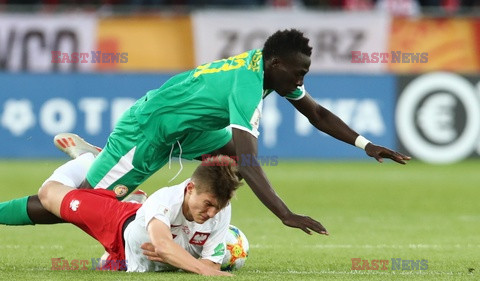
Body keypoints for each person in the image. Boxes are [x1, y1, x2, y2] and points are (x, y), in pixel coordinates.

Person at [0, 29, 410, 235]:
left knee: (229, 159)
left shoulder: (268, 71)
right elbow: (252, 162)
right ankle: (92, 165)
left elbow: (316, 113)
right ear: (276, 63)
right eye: (299, 71)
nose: (303, 78)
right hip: (150, 132)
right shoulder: (247, 86)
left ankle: (116, 174)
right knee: (82, 207)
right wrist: (285, 214)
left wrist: (367, 145)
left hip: (187, 131)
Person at [38, 154, 241, 276]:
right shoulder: (165, 199)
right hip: (118, 224)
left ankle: (135, 202)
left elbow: (212, 263)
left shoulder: (221, 208)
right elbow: (163, 246)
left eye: (219, 207)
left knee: (103, 267)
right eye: (208, 204)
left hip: (128, 260)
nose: (213, 213)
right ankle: (90, 162)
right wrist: (197, 266)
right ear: (190, 188)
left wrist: (176, 257)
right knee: (49, 194)